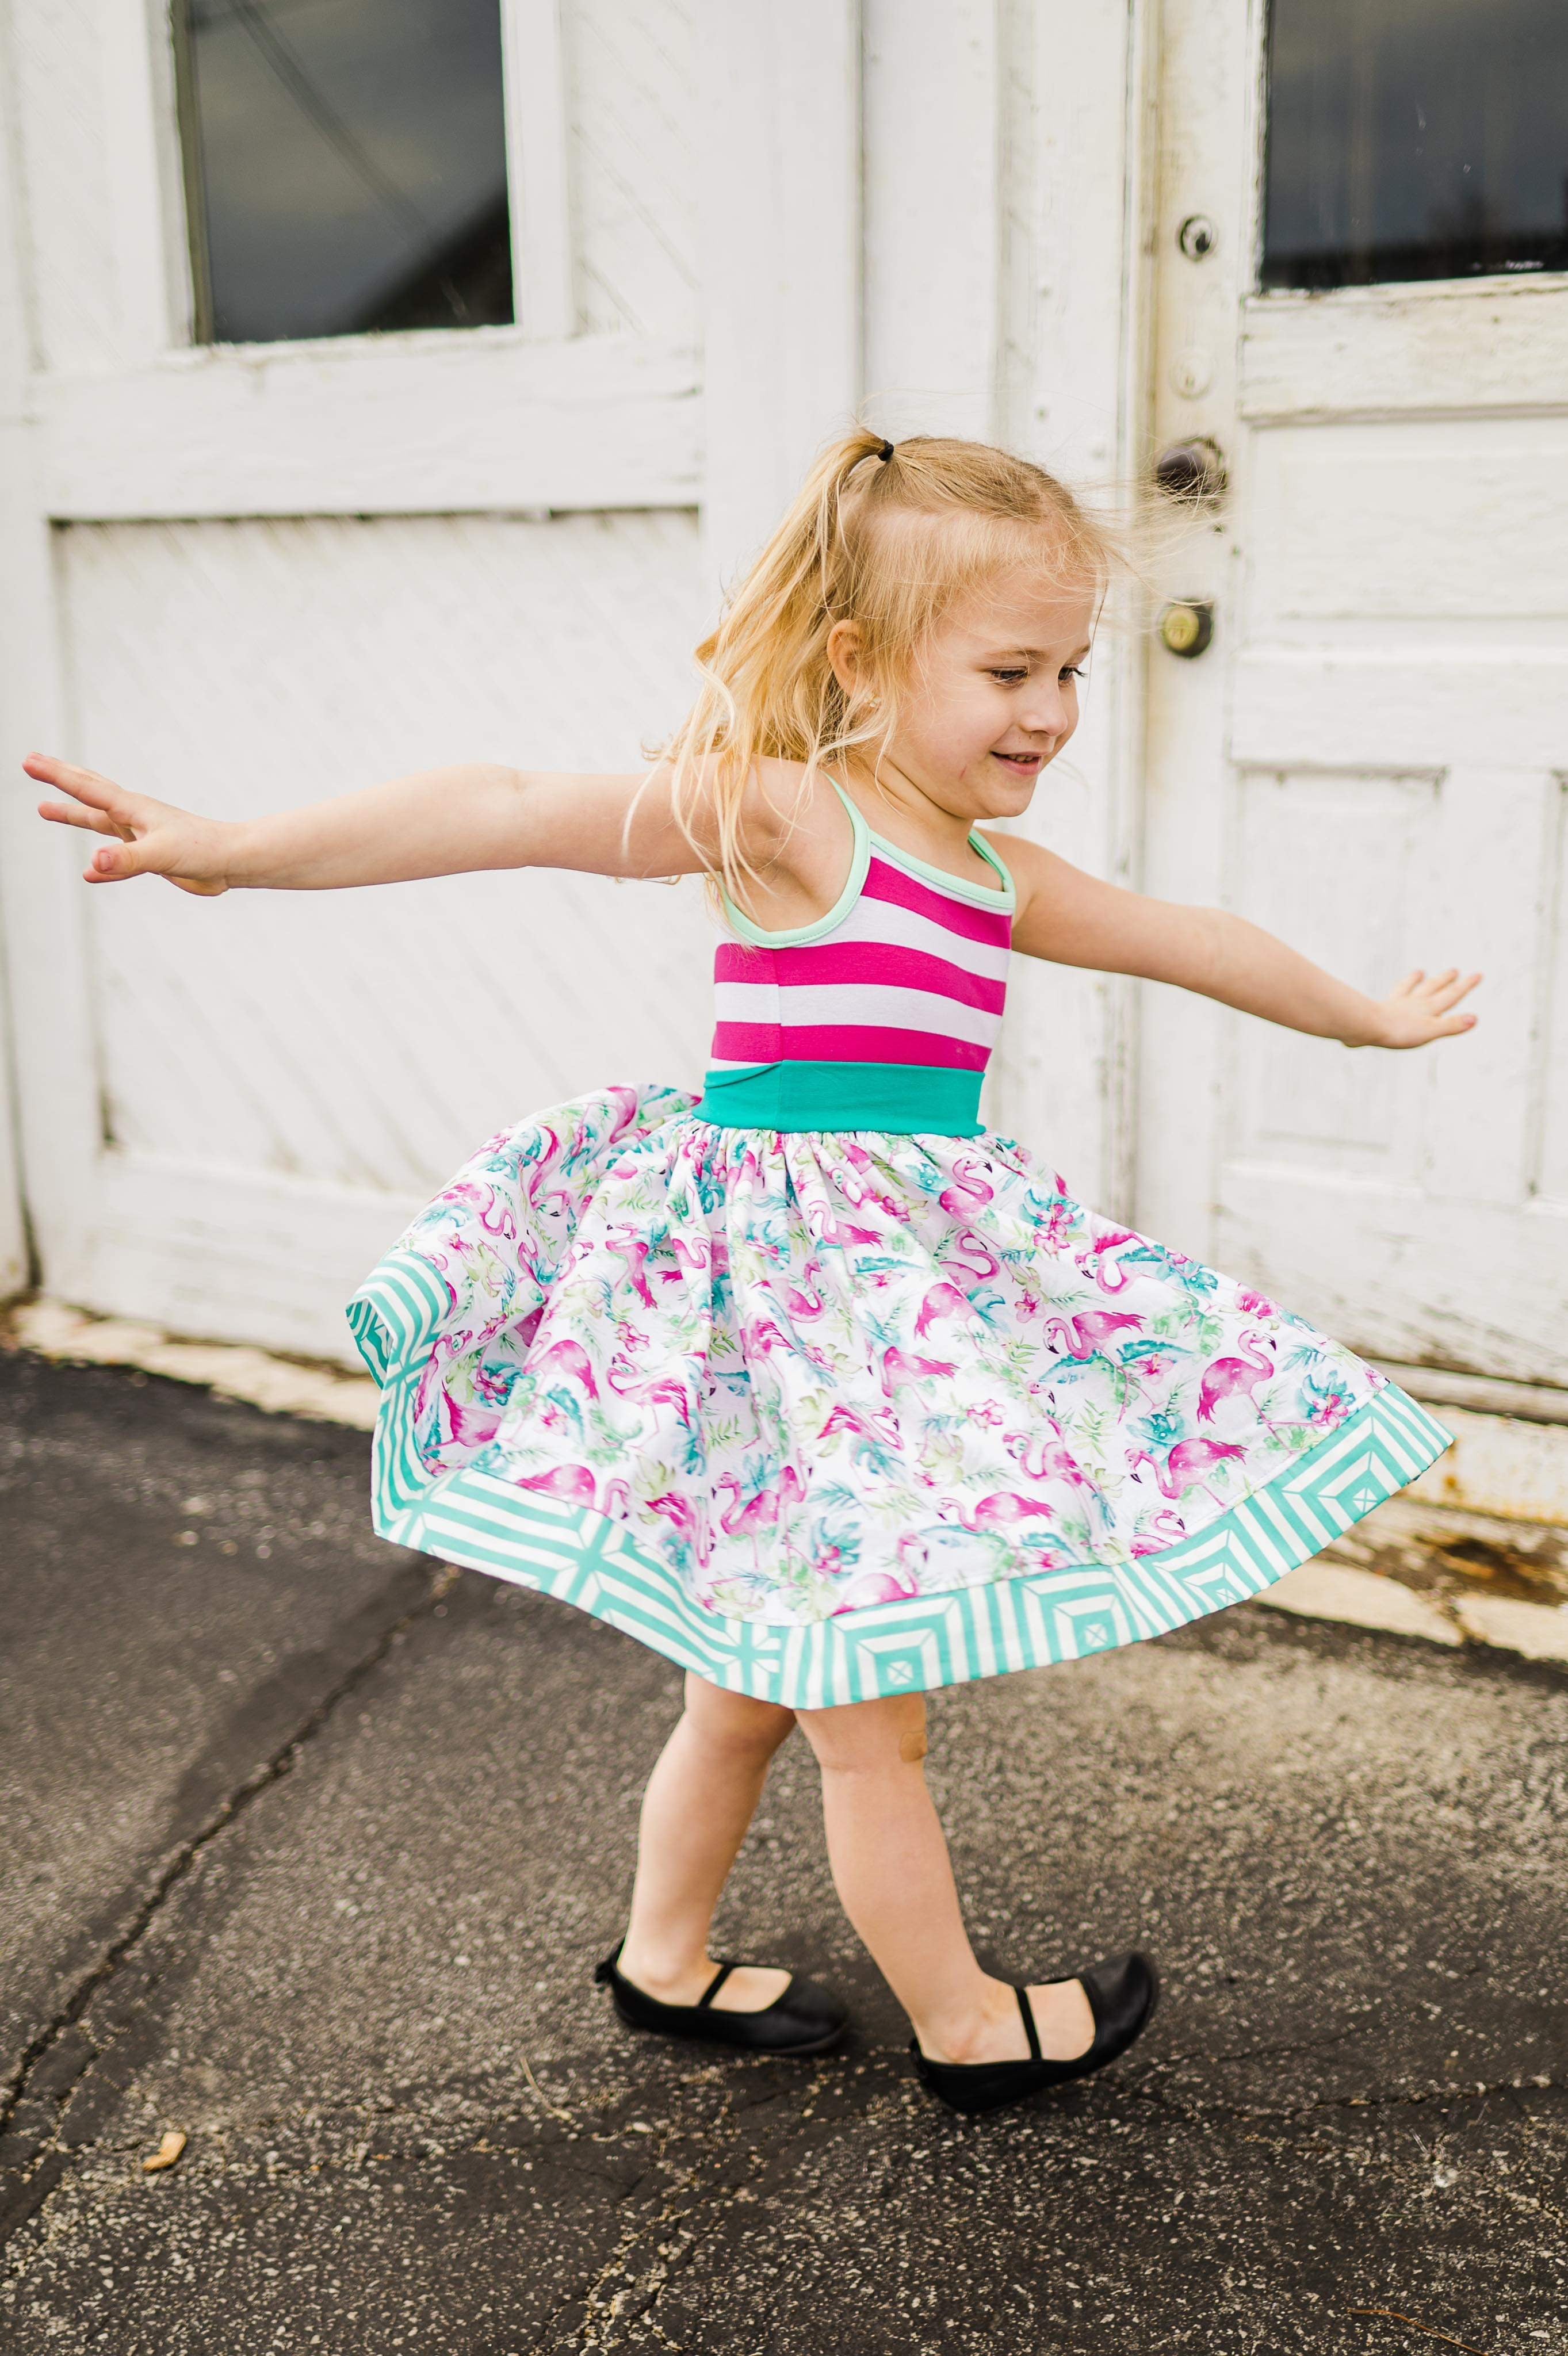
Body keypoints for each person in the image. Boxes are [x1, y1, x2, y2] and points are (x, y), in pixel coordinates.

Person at [27, 430, 1477, 2118]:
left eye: (1068, 669)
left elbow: (1189, 940)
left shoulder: (997, 878)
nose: (1052, 710)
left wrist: (1364, 1014)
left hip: (867, 1330)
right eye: (1007, 669)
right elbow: (508, 808)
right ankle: (969, 2025)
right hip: (774, 1324)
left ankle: (664, 1959)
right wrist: (236, 846)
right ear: (859, 660)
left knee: (748, 1690)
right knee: (871, 1711)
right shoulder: (796, 814)